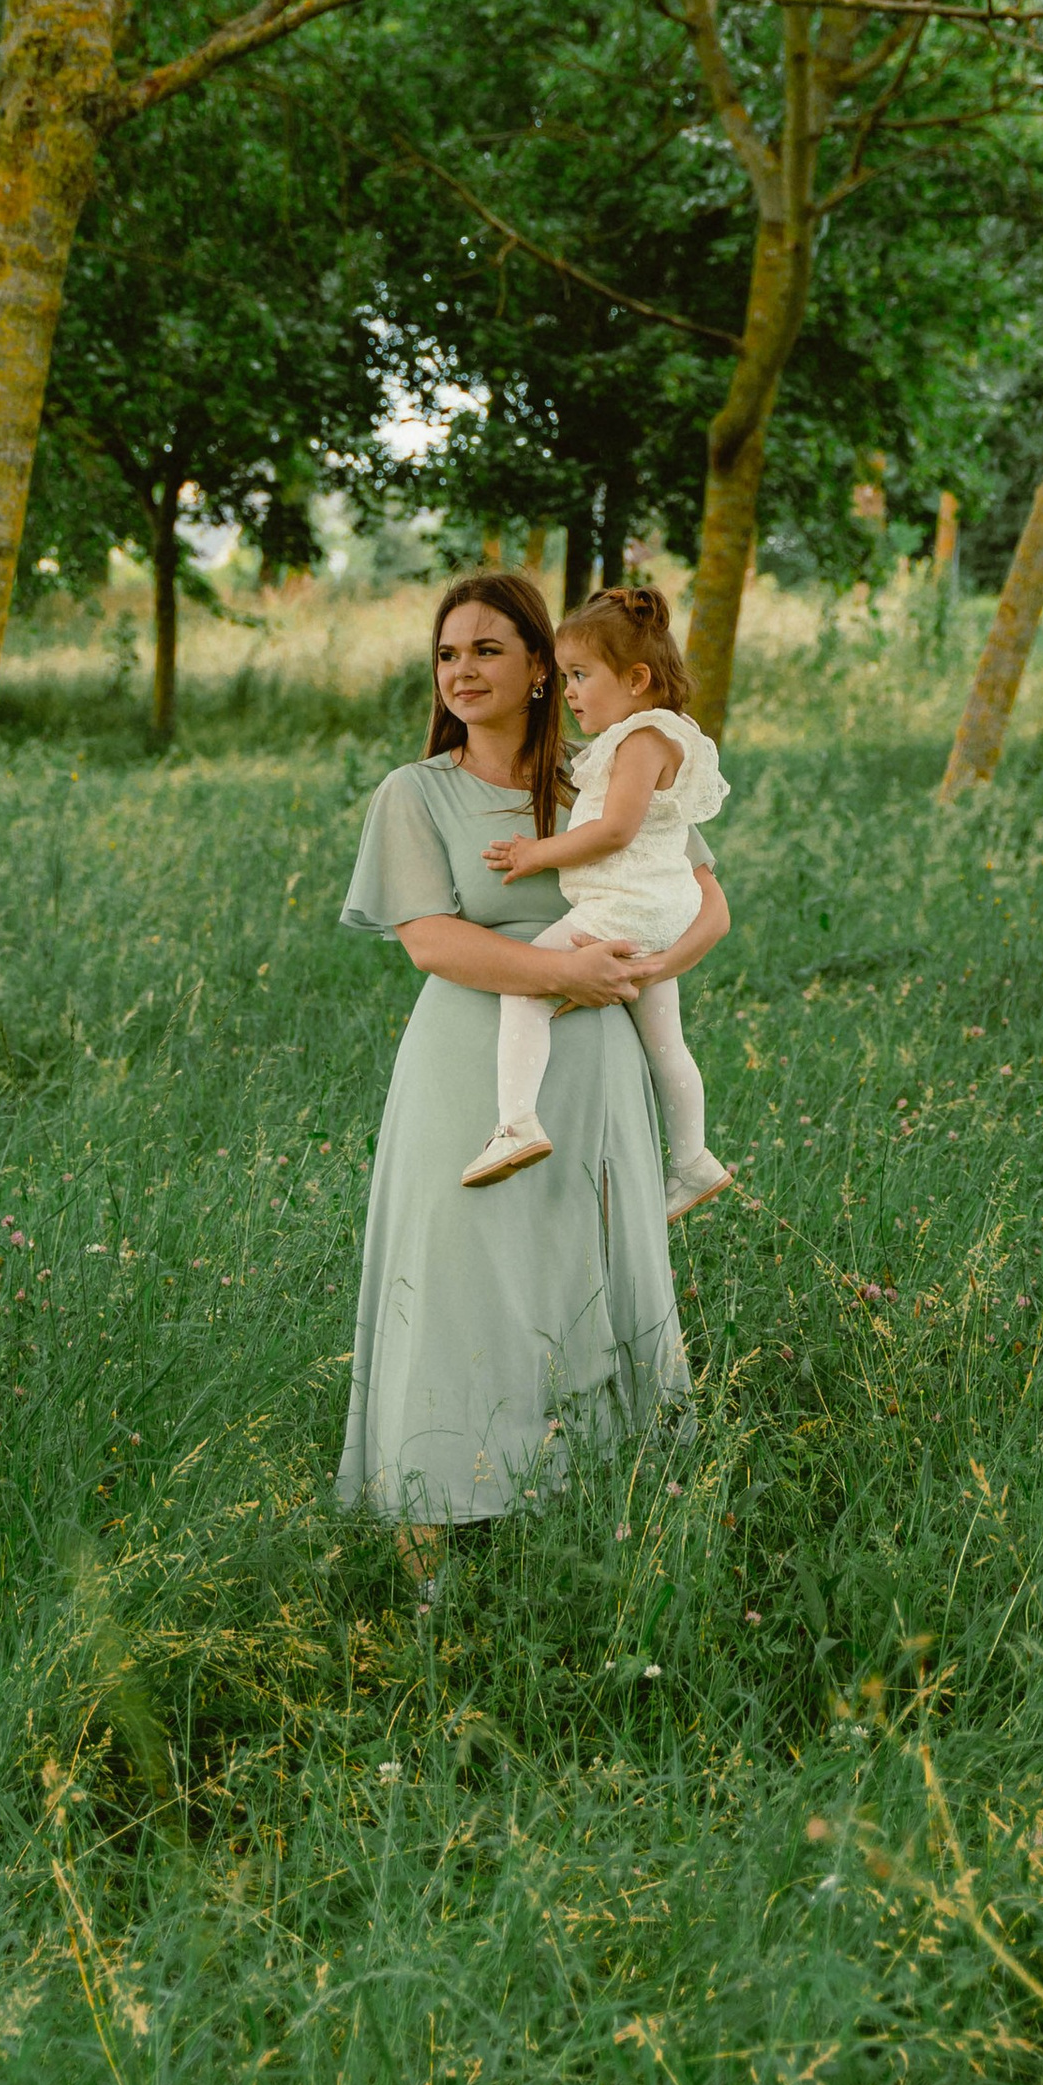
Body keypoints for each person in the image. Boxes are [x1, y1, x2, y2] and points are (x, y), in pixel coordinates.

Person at [335, 570, 728, 1572]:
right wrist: (563, 968)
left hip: (596, 1074)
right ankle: (431, 1568)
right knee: (458, 1297)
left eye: (486, 651)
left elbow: (707, 906)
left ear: (546, 672)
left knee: (590, 1286)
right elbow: (430, 942)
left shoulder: (600, 785)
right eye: (445, 654)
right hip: (467, 1073)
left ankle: (603, 1543)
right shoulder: (414, 794)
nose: (460, 671)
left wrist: (638, 969)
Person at [465, 583, 732, 1214]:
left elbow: (615, 830)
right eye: (564, 678)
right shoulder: (662, 735)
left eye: (581, 675)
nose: (570, 692)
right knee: (667, 1043)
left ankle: (517, 1124)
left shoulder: (640, 739)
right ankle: (693, 1160)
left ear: (637, 678)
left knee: (525, 987)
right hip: (662, 913)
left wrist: (536, 853)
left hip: (625, 905)